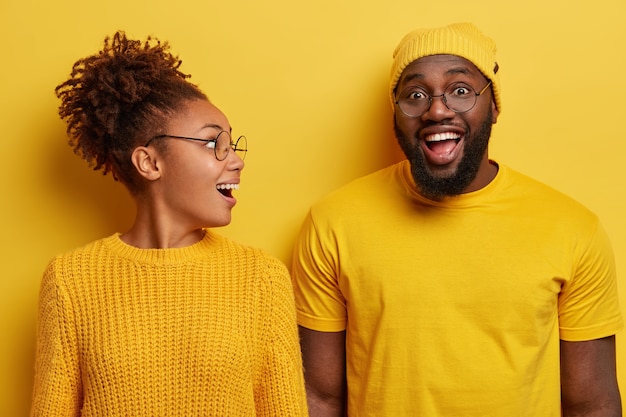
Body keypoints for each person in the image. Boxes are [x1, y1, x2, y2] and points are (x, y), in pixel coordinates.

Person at [291, 22, 623, 416]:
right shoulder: (333, 222)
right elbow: (319, 397)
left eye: (460, 91)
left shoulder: (572, 228)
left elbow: (593, 403)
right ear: (396, 113)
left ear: (494, 106)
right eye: (414, 94)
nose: (436, 109)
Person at [30, 31, 307, 417]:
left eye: (233, 145)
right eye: (214, 144)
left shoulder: (261, 278)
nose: (237, 161)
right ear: (150, 163)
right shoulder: (70, 280)